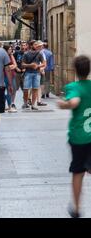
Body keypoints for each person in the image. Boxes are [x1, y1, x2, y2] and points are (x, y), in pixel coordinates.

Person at [57, 55, 91, 219]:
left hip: (79, 137)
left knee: (78, 172)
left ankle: (76, 208)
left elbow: (75, 102)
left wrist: (63, 104)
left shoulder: (73, 87)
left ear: (75, 71)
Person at [22, 40, 46, 111]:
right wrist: (30, 65)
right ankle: (25, 103)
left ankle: (33, 104)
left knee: (35, 89)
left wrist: (38, 66)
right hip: (28, 73)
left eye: (37, 44)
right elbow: (22, 65)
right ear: (31, 45)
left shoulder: (39, 53)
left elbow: (44, 63)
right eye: (35, 44)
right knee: (26, 89)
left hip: (36, 73)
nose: (36, 46)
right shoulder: (26, 54)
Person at [3, 45, 18, 112]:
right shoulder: (3, 56)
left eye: (11, 49)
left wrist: (9, 67)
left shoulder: (11, 56)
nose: (11, 50)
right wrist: (10, 67)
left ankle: (11, 104)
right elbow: (4, 67)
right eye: (9, 49)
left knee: (12, 89)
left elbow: (15, 65)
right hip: (4, 75)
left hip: (12, 75)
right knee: (5, 90)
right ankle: (6, 105)